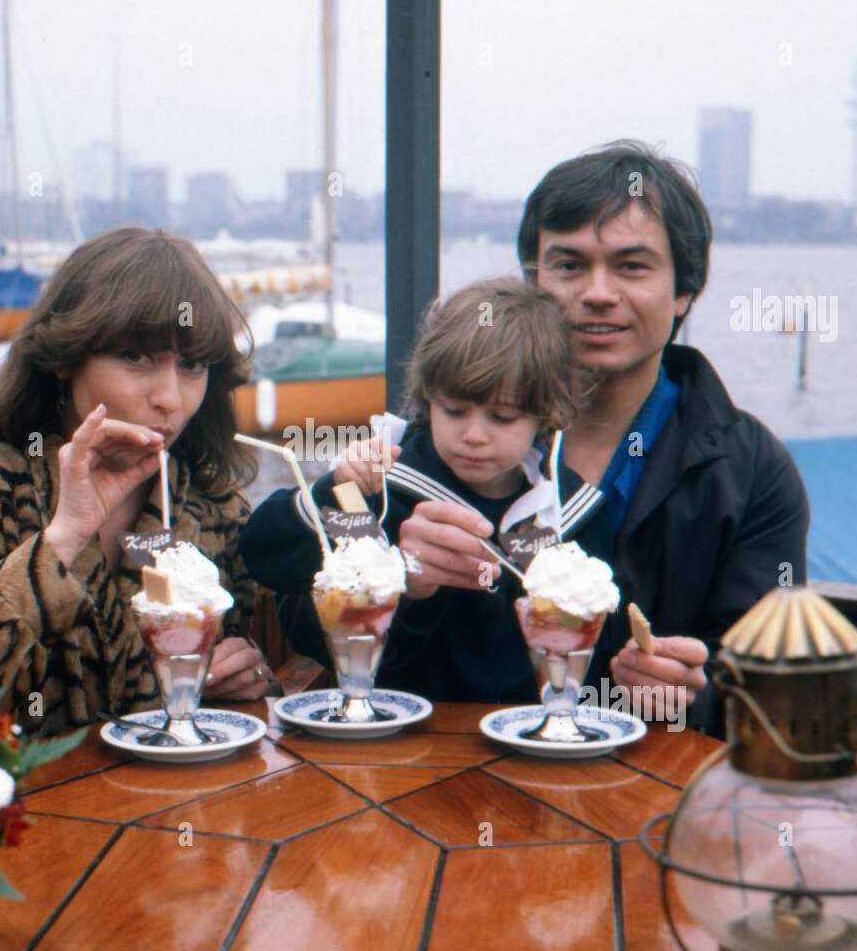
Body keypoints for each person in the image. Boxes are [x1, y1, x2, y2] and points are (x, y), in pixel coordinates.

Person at [399, 142, 810, 733]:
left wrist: (699, 696)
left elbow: (776, 686)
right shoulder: (446, 437)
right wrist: (403, 585)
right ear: (532, 281)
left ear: (684, 292)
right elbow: (321, 620)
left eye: (632, 266)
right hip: (456, 789)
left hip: (651, 800)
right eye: (568, 265)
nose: (597, 291)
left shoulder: (747, 469)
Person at [0, 227, 274, 735]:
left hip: (166, 807)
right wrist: (60, 542)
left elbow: (251, 682)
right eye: (137, 358)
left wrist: (245, 677)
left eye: (193, 365)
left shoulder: (206, 501)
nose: (171, 399)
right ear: (68, 356)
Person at [242, 278, 597, 702]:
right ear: (428, 397)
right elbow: (265, 558)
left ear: (546, 414)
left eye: (503, 417)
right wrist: (334, 493)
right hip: (403, 736)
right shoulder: (384, 488)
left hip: (528, 737)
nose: (474, 435)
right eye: (454, 410)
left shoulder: (569, 508)